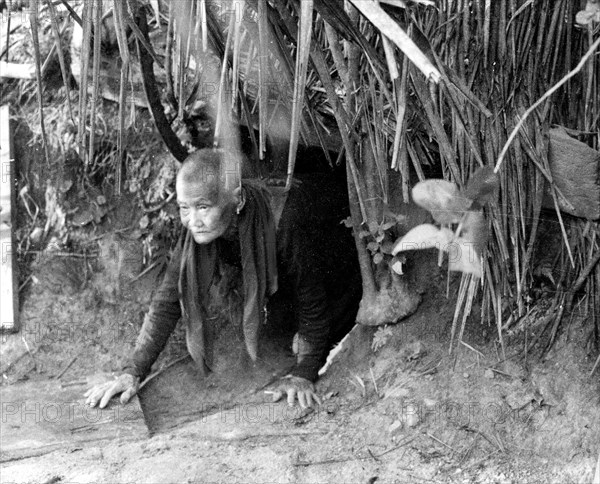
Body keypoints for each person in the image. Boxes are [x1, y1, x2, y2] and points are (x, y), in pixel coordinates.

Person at [85, 148, 361, 409]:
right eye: (184, 208)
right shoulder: (199, 228)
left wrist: (305, 372)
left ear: (237, 199)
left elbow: (312, 298)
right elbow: (168, 299)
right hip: (298, 253)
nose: (193, 220)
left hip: (341, 251)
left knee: (308, 334)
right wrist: (132, 371)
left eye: (203, 207)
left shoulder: (284, 221)